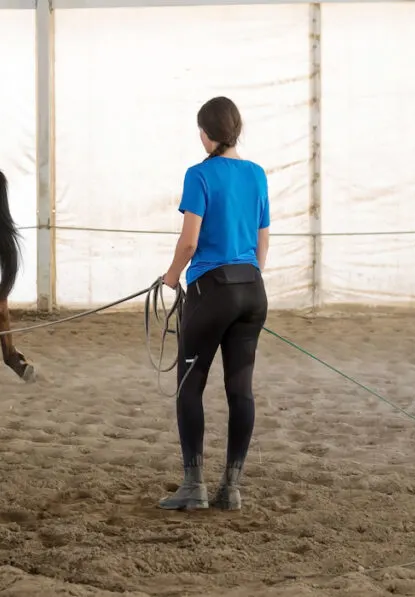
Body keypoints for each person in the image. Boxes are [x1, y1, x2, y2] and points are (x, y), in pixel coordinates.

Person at [157, 96, 270, 511]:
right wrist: (247, 282)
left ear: (208, 134)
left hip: (212, 291)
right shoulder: (257, 175)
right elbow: (262, 240)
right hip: (252, 289)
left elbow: (189, 241)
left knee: (190, 387)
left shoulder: (199, 175)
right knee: (241, 390)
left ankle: (193, 486)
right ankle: (232, 488)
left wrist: (171, 276)